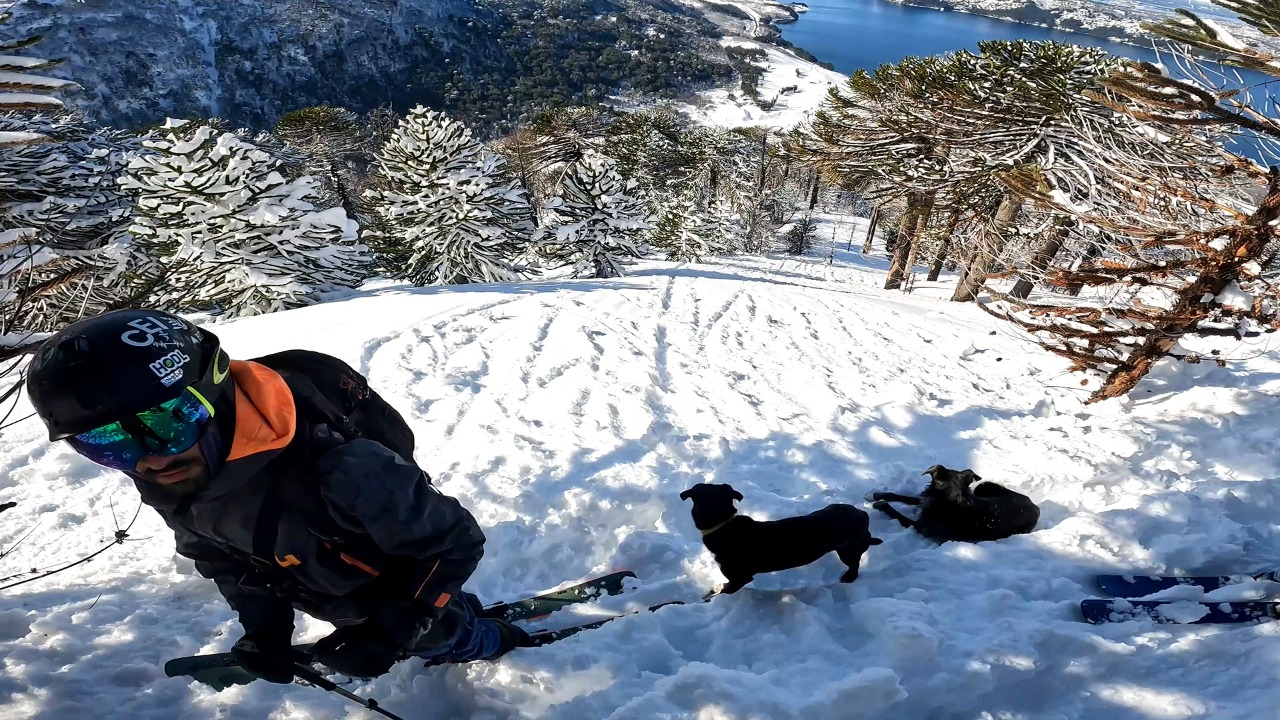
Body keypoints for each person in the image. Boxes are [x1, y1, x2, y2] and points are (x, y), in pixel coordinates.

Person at [25, 308, 529, 683]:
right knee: (428, 603)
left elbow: (454, 542)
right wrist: (264, 629)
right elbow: (218, 555)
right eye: (106, 442)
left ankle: (482, 639)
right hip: (325, 581)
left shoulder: (342, 469)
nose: (148, 458)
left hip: (383, 574)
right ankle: (451, 609)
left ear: (216, 393)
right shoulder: (175, 469)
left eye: (167, 420)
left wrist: (397, 626)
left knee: (439, 632)